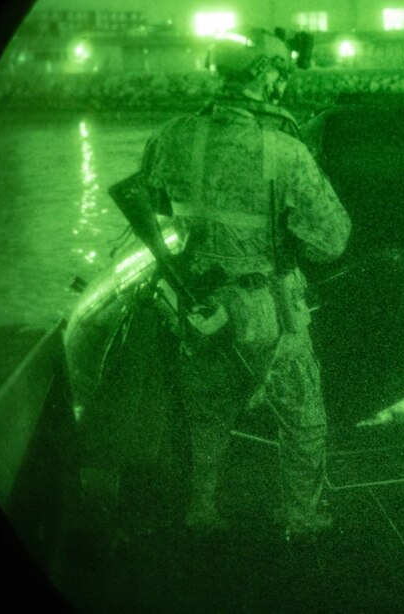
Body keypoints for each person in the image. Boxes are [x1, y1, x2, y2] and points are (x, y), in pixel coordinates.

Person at [138, 27, 351, 542]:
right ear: (262, 75)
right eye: (278, 72)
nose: (281, 82)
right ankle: (302, 518)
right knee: (303, 421)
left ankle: (202, 509)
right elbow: (332, 241)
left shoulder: (169, 136)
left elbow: (153, 208)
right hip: (268, 307)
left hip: (197, 303)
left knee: (206, 417)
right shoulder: (283, 149)